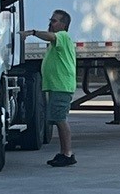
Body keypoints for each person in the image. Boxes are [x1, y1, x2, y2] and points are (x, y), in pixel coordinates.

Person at [20, 9, 77, 167]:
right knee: (58, 120)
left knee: (60, 120)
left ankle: (67, 154)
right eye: (50, 20)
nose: (50, 23)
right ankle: (64, 152)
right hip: (56, 87)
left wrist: (32, 32)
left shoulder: (63, 37)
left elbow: (50, 35)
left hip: (62, 87)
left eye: (54, 21)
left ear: (63, 25)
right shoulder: (56, 42)